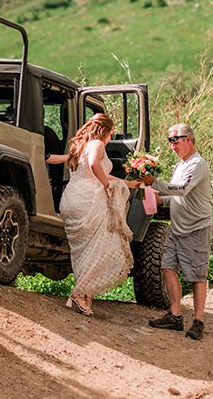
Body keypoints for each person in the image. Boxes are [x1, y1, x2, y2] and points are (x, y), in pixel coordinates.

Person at [45, 114, 139, 316]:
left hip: (73, 198)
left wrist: (126, 183)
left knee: (86, 249)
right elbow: (96, 165)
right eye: (111, 133)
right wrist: (107, 186)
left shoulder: (81, 146)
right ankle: (80, 294)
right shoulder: (96, 143)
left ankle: (85, 294)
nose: (109, 137)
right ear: (105, 130)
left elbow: (94, 169)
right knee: (103, 244)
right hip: (88, 198)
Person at [146, 122, 212, 341]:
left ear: (189, 139)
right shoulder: (180, 165)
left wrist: (155, 182)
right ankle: (175, 315)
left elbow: (183, 189)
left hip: (196, 228)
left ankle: (198, 321)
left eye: (176, 139)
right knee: (167, 266)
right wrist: (160, 199)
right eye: (169, 140)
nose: (172, 145)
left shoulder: (197, 164)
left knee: (197, 275)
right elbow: (177, 196)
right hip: (177, 228)